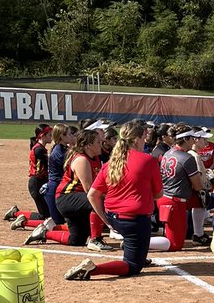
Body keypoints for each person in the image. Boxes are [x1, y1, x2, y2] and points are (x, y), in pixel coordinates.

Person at [65, 120, 164, 280]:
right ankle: (93, 269)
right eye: (143, 136)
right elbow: (159, 194)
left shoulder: (112, 162)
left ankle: (135, 251)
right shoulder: (148, 160)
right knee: (133, 266)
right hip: (135, 221)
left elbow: (92, 194)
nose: (145, 139)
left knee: (136, 247)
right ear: (137, 139)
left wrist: (105, 219)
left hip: (114, 218)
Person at [24, 128, 104, 249]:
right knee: (98, 200)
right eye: (98, 142)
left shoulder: (95, 157)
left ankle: (45, 233)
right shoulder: (82, 159)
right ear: (88, 145)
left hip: (77, 199)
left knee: (77, 239)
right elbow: (89, 191)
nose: (101, 144)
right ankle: (96, 239)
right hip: (67, 198)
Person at [156, 129, 207, 251]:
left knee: (175, 238)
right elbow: (197, 186)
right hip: (175, 202)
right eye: (191, 138)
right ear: (185, 139)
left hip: (165, 197)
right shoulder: (187, 157)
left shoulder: (167, 152)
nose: (193, 141)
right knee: (175, 244)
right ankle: (138, 242)